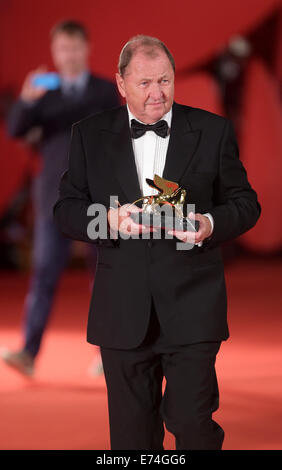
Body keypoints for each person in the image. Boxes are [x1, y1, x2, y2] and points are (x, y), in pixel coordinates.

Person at [53, 35, 261, 450]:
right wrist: (109, 220)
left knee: (193, 426)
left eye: (164, 81)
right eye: (145, 83)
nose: (157, 93)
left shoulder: (212, 130)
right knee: (132, 441)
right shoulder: (89, 135)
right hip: (121, 312)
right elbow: (66, 211)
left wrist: (207, 223)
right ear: (120, 83)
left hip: (193, 305)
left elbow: (246, 204)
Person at [2, 20, 120, 377]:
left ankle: (110, 352)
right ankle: (29, 352)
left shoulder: (103, 90)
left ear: (86, 48)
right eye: (62, 49)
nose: (68, 56)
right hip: (54, 197)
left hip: (97, 196)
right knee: (44, 273)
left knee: (105, 274)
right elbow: (15, 129)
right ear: (54, 53)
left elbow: (116, 137)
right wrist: (25, 101)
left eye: (74, 48)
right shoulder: (43, 92)